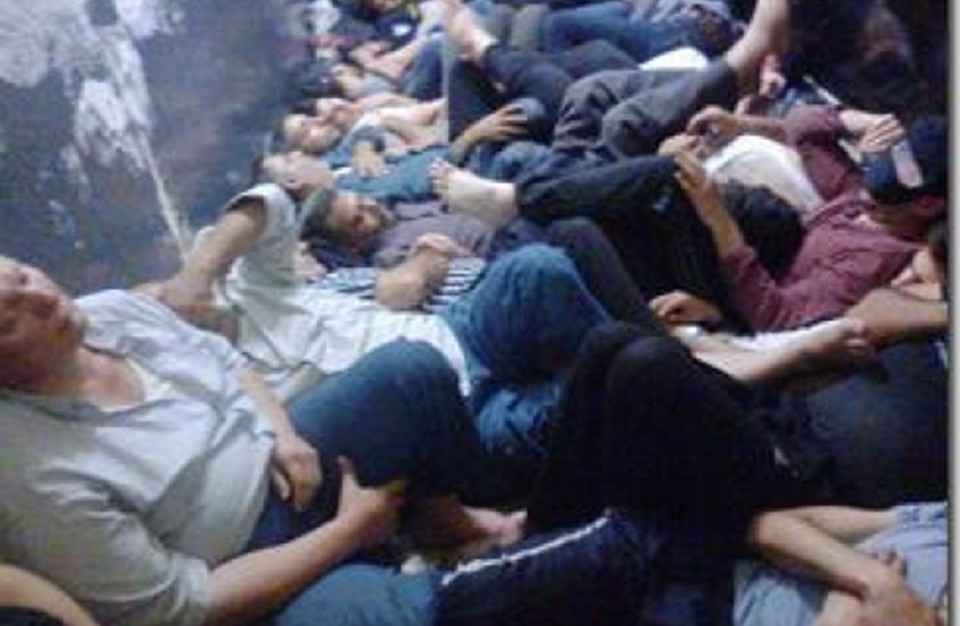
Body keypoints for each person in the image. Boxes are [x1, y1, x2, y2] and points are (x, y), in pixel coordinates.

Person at [0, 256, 943, 626]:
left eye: (24, 275)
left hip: (287, 466)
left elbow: (223, 358)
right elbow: (176, 609)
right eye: (10, 315)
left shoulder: (110, 312)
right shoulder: (30, 471)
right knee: (633, 385)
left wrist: (280, 430)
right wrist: (351, 532)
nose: (41, 298)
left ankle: (475, 524)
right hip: (241, 568)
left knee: (463, 362)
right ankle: (703, 448)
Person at [152, 156, 610, 499]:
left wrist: (196, 275)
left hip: (458, 329)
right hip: (453, 416)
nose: (164, 309)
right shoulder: (224, 398)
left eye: (158, 298)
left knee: (537, 267)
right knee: (565, 413)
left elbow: (270, 202)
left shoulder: (255, 286)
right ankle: (619, 382)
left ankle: (611, 369)